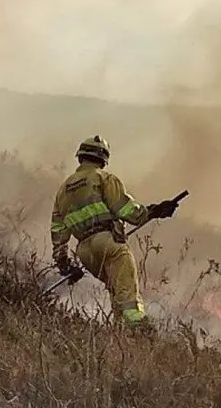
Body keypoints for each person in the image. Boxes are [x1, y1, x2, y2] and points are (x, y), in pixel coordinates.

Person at [50, 135, 178, 326]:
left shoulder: (63, 190)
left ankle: (120, 334)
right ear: (103, 158)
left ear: (80, 157)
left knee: (116, 289)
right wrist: (152, 211)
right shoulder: (103, 178)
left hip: (85, 251)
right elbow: (125, 209)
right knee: (127, 292)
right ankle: (138, 330)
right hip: (107, 242)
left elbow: (58, 231)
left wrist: (65, 264)